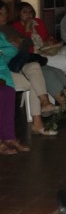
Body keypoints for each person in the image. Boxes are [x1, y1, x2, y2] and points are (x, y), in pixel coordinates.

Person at [0, 27, 30, 155]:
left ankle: (9, 137)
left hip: (2, 73)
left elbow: (12, 50)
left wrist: (1, 51)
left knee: (8, 92)